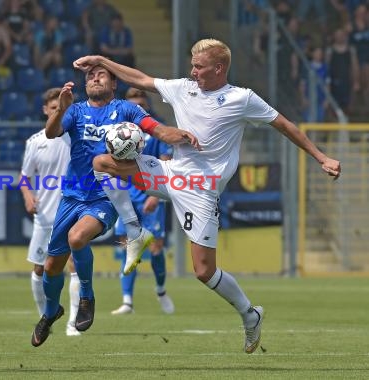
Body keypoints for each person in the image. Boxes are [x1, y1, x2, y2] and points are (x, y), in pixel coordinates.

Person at [73, 38, 341, 354]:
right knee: (103, 161)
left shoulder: (242, 98)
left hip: (201, 190)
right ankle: (133, 228)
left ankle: (249, 314)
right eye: (192, 65)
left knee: (204, 271)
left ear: (218, 68)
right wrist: (103, 61)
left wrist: (321, 157)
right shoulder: (184, 88)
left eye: (198, 66)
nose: (193, 71)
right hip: (169, 173)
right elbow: (141, 79)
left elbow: (284, 125)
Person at [30, 65, 198, 347]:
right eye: (90, 76)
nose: (94, 78)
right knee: (51, 266)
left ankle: (87, 295)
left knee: (77, 238)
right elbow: (50, 133)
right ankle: (50, 313)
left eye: (101, 75)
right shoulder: (76, 110)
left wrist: (180, 135)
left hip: (107, 194)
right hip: (72, 194)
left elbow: (156, 130)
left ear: (113, 83)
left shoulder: (127, 111)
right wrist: (60, 108)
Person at [19, 87, 81, 337]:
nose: (58, 111)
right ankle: (45, 315)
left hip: (72, 211)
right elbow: (25, 176)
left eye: (62, 108)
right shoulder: (35, 142)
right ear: (46, 110)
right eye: (54, 108)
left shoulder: (74, 138)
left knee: (74, 265)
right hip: (44, 215)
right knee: (39, 269)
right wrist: (27, 195)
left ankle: (73, 323)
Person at [111, 88, 174, 315]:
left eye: (141, 102)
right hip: (125, 198)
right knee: (129, 249)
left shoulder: (155, 128)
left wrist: (154, 195)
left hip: (151, 195)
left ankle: (160, 290)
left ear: (146, 104)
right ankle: (127, 301)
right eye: (132, 102)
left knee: (156, 248)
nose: (137, 105)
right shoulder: (115, 131)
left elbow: (165, 163)